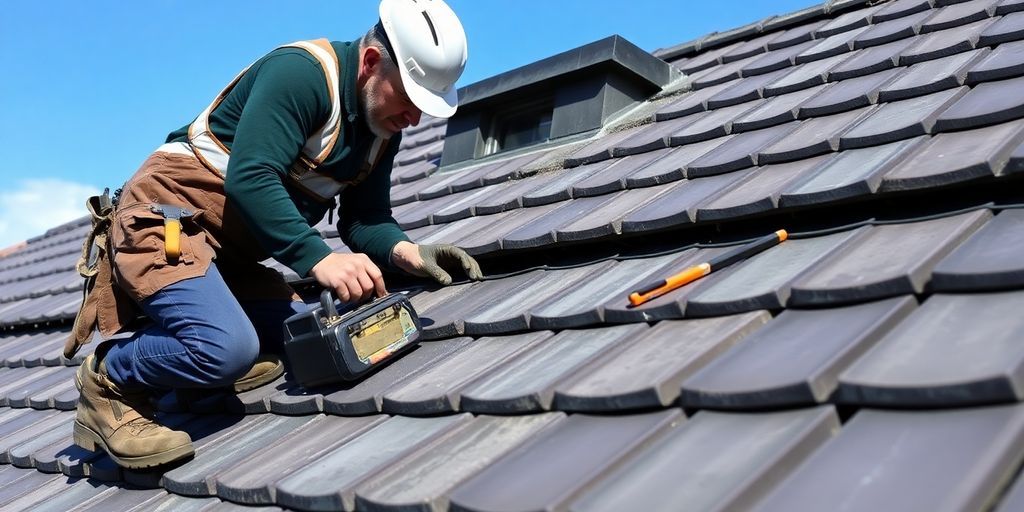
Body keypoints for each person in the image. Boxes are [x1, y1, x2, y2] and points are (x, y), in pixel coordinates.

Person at [65, 0, 481, 469]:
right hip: (168, 225)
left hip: (229, 258)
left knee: (304, 334)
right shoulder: (302, 74)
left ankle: (195, 377)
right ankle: (109, 378)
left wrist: (408, 252)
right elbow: (252, 175)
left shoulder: (381, 128)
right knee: (227, 349)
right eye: (409, 98)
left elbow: (364, 219)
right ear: (369, 64)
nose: (414, 119)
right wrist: (319, 259)